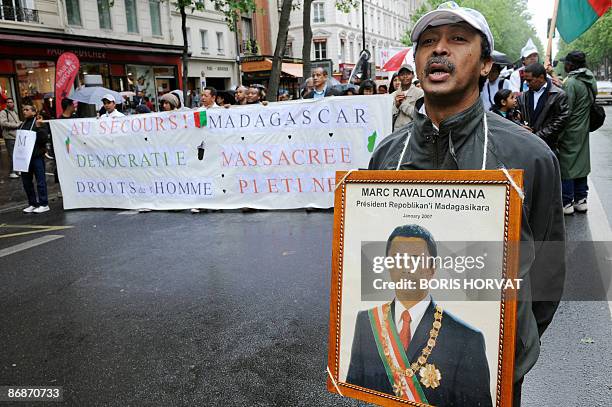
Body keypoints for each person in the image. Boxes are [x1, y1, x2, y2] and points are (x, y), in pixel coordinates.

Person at [368, 4, 565, 406]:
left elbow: (547, 270)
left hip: (493, 367)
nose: (439, 50)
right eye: (427, 42)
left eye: (457, 40)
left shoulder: (530, 155)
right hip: (402, 366)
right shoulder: (387, 154)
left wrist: (512, 338)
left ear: (485, 66)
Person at [347, 225, 492, 406]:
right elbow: (352, 397)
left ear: (432, 269)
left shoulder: (466, 339)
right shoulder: (366, 323)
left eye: (415, 260)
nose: (406, 268)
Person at [558, 51, 598, 215]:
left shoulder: (571, 83)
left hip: (570, 130)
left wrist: (558, 135)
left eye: (566, 63)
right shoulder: (589, 80)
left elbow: (566, 110)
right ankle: (581, 200)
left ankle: (567, 201)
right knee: (581, 164)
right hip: (583, 128)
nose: (564, 66)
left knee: (567, 166)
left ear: (571, 65)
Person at [517, 63, 570, 152]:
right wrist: (521, 126)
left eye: (529, 80)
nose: (527, 83)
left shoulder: (558, 95)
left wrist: (537, 136)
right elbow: (516, 114)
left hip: (548, 146)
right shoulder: (523, 96)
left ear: (541, 78)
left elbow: (560, 121)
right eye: (525, 80)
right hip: (527, 143)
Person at [19, 105, 50, 213]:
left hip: (36, 157)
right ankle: (32, 203)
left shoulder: (40, 123)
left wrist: (39, 127)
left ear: (34, 112)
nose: (24, 111)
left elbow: (44, 139)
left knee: (40, 181)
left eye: (27, 110)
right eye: (23, 110)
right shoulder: (22, 124)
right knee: (26, 182)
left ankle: (44, 203)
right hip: (25, 158)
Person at [391, 64, 424, 131]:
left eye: (408, 74)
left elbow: (420, 116)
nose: (405, 76)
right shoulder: (393, 95)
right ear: (399, 77)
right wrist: (396, 106)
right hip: (397, 133)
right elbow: (389, 117)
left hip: (413, 132)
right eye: (402, 74)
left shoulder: (420, 93)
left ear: (413, 75)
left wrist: (402, 104)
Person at [0, 97, 21, 178]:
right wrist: (17, 125)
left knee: (17, 154)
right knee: (12, 155)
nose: (10, 103)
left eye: (11, 102)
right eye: (8, 102)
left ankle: (17, 170)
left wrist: (19, 123)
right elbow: (3, 123)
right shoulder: (3, 112)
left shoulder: (14, 112)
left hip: (16, 136)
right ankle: (12, 172)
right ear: (6, 104)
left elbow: (17, 122)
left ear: (13, 103)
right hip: (9, 137)